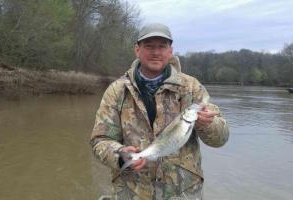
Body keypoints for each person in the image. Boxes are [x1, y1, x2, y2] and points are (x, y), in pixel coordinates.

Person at [90, 23, 229, 200]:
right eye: (149, 46)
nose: (156, 52)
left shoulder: (192, 87)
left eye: (162, 46)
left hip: (183, 194)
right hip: (131, 193)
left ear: (170, 51)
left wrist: (208, 125)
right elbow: (99, 140)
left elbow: (221, 139)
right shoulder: (116, 91)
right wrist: (121, 157)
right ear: (137, 50)